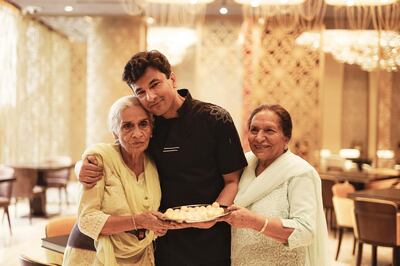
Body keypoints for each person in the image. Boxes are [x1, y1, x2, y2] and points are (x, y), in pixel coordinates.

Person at [78, 50, 248, 266]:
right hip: (161, 241)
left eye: (155, 84)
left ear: (172, 79)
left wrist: (212, 216)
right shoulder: (149, 126)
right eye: (140, 91)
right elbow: (115, 151)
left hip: (211, 239)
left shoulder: (215, 119)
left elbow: (232, 181)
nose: (150, 97)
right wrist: (81, 166)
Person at [63, 96, 170, 266]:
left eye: (143, 124)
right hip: (94, 255)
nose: (137, 133)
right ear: (115, 133)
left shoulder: (153, 164)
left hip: (141, 256)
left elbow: (147, 214)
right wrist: (139, 220)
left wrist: (155, 226)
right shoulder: (100, 159)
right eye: (127, 126)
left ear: (151, 129)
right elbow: (87, 220)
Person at [219, 104, 329, 266]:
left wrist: (254, 221)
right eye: (254, 130)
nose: (259, 138)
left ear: (286, 137)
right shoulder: (243, 164)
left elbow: (305, 231)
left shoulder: (299, 173)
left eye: (269, 131)